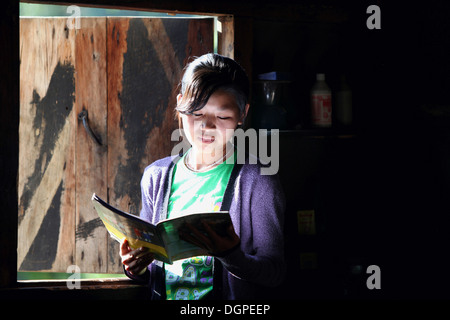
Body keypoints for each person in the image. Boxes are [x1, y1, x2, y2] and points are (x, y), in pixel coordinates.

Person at [120, 53, 286, 300]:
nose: (206, 126)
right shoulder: (156, 177)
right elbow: (152, 269)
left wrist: (231, 255)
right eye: (196, 113)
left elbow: (274, 274)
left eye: (222, 116)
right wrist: (136, 266)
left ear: (242, 114)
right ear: (180, 104)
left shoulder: (257, 181)